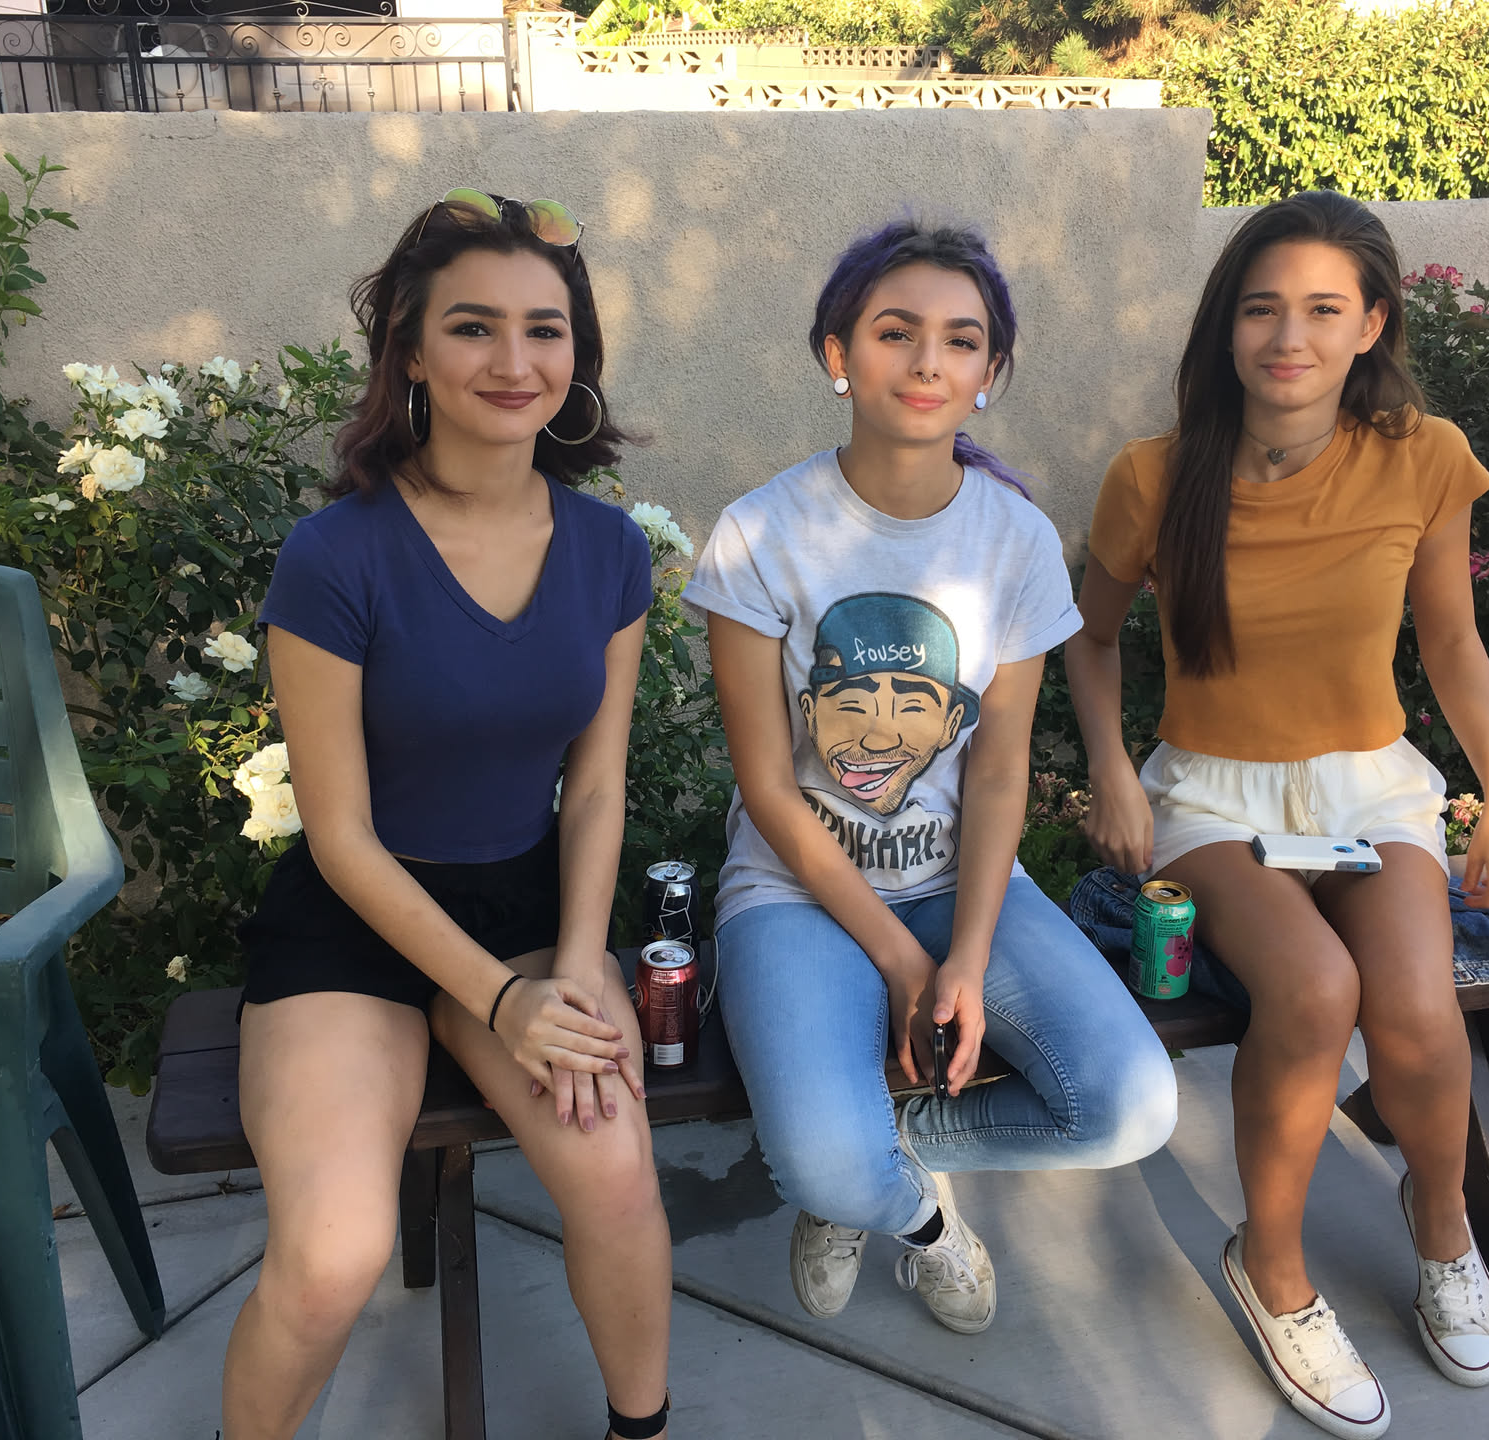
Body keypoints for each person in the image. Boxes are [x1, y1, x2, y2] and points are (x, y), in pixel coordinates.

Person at [1065, 190, 1489, 1438]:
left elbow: (1451, 639)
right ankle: (1271, 1266)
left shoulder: (1424, 457)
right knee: (1316, 989)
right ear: (1225, 325)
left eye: (1325, 309)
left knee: (1417, 1006)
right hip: (1212, 795)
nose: (1290, 337)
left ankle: (1441, 1224)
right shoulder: (1154, 476)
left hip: (1370, 786)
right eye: (1262, 308)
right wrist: (1112, 770)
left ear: (1370, 324)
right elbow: (1088, 635)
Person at [222, 192, 672, 1440]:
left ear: (577, 354)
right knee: (333, 1253)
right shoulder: (337, 556)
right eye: (474, 327)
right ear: (411, 353)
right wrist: (501, 1001)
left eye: (545, 329)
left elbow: (596, 786)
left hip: (529, 907)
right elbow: (339, 836)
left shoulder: (609, 552)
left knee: (616, 1175)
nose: (514, 361)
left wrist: (574, 968)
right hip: (354, 923)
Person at [683, 219, 1179, 1336]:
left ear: (989, 371)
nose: (926, 362)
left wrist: (963, 952)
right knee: (816, 1163)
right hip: (795, 891)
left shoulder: (1014, 539)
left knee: (1130, 1105)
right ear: (838, 355)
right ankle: (907, 1213)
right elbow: (768, 787)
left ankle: (878, 1157)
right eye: (895, 332)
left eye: (960, 340)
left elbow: (999, 770)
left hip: (960, 881)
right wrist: (904, 960)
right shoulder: (761, 533)